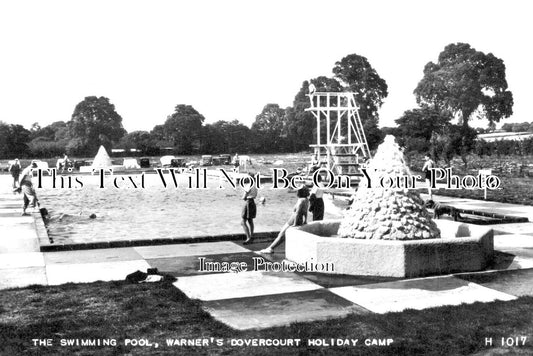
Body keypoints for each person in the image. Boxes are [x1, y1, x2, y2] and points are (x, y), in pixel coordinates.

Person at [259, 186, 309, 254]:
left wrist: (294, 224)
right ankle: (271, 248)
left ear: (300, 192)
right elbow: (305, 212)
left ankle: (270, 248)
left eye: (297, 191)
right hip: (299, 219)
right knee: (283, 235)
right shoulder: (306, 200)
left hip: (293, 219)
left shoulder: (300, 200)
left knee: (281, 234)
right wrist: (305, 220)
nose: (296, 192)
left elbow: (297, 212)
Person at [241, 173, 258, 245]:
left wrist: (243, 197)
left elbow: (244, 197)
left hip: (248, 202)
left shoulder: (248, 186)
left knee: (243, 222)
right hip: (253, 202)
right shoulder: (255, 186)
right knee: (250, 221)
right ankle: (251, 236)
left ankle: (248, 238)